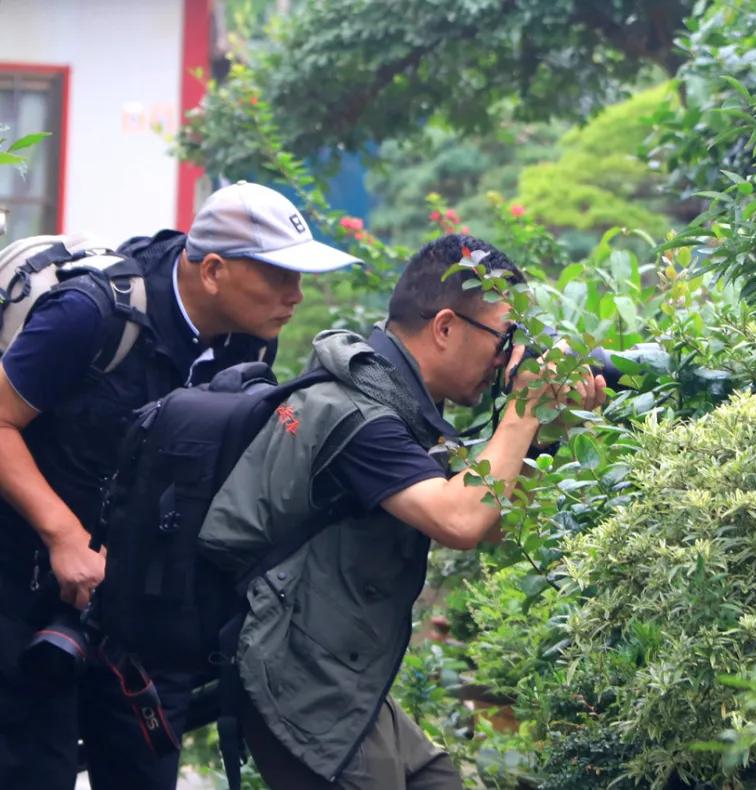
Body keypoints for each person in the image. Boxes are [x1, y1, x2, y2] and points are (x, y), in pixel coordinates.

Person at [197, 233, 607, 789]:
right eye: (504, 337)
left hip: (340, 673)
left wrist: (548, 431)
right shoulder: (359, 414)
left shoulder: (403, 403)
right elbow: (460, 521)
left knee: (437, 780)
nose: (506, 357)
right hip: (296, 674)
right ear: (444, 327)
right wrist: (525, 409)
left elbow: (492, 524)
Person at [0, 181, 359, 790]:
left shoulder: (249, 340)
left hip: (136, 600)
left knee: (145, 769)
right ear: (214, 270)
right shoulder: (92, 314)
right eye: (280, 277)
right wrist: (64, 537)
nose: (296, 296)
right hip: (25, 579)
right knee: (38, 769)